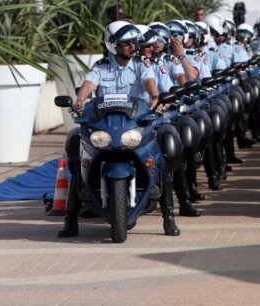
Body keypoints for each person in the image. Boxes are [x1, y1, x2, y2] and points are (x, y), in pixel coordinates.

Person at [59, 21, 181, 238]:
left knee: (162, 159)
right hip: (107, 125)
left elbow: (149, 81)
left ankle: (168, 218)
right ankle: (70, 222)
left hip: (137, 123)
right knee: (78, 159)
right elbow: (89, 84)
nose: (133, 46)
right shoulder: (101, 66)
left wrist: (155, 97)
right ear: (113, 45)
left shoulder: (141, 64)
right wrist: (80, 100)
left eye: (134, 42)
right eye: (127, 43)